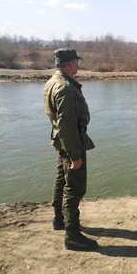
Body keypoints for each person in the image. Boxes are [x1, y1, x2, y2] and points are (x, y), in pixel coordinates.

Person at [44, 48, 98, 251]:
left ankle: (59, 220)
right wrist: (75, 155)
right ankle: (72, 236)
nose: (78, 65)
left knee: (61, 181)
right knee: (74, 188)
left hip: (61, 141)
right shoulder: (65, 87)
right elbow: (67, 124)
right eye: (76, 62)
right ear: (67, 65)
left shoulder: (52, 82)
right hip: (71, 143)